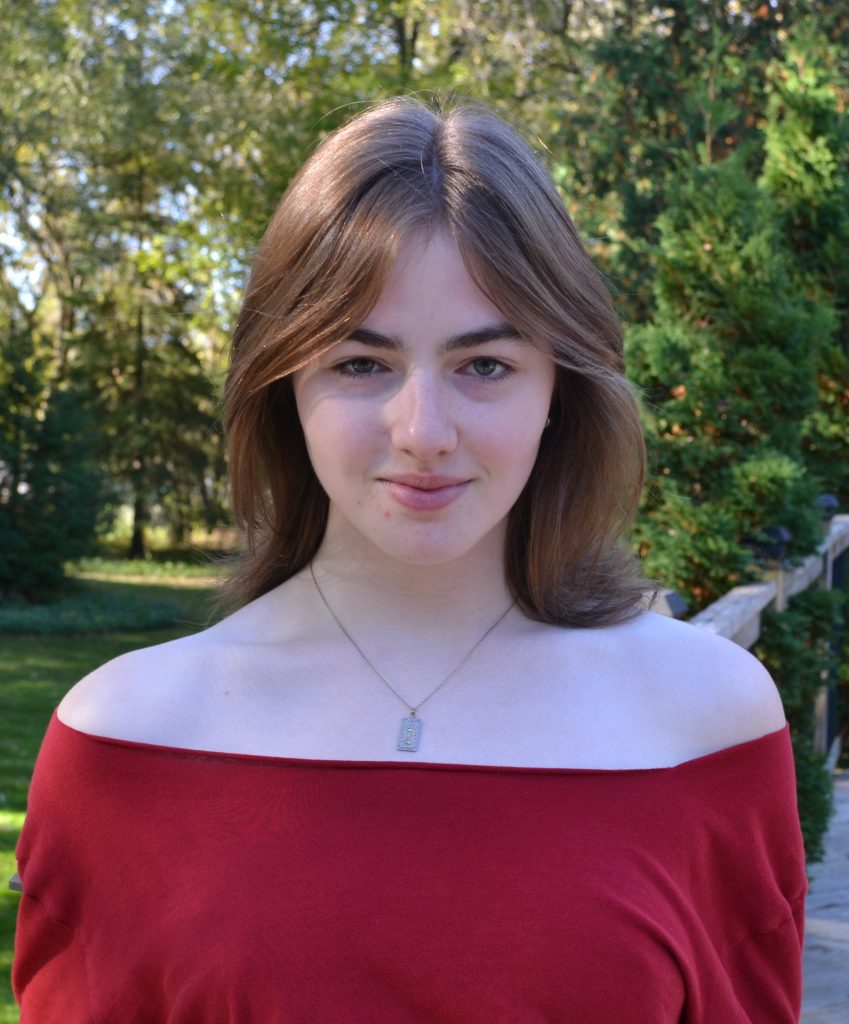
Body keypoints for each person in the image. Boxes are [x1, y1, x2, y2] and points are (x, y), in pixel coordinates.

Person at [13, 98, 806, 1023]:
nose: (422, 431)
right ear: (284, 388)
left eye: (485, 365)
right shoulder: (126, 741)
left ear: (561, 389)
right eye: (361, 364)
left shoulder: (705, 722)